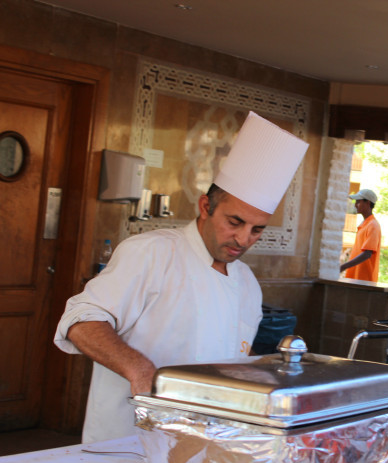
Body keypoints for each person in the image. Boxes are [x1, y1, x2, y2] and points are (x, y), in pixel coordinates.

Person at [54, 112, 308, 443]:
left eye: (256, 229)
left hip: (207, 441)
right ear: (205, 206)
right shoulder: (151, 253)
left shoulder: (247, 283)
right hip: (129, 438)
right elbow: (80, 321)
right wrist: (139, 369)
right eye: (234, 222)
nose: (243, 239)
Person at [341, 189, 381, 282]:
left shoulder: (373, 225)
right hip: (356, 279)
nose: (355, 205)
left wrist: (343, 267)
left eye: (358, 202)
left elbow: (367, 253)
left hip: (364, 280)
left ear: (368, 203)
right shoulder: (365, 224)